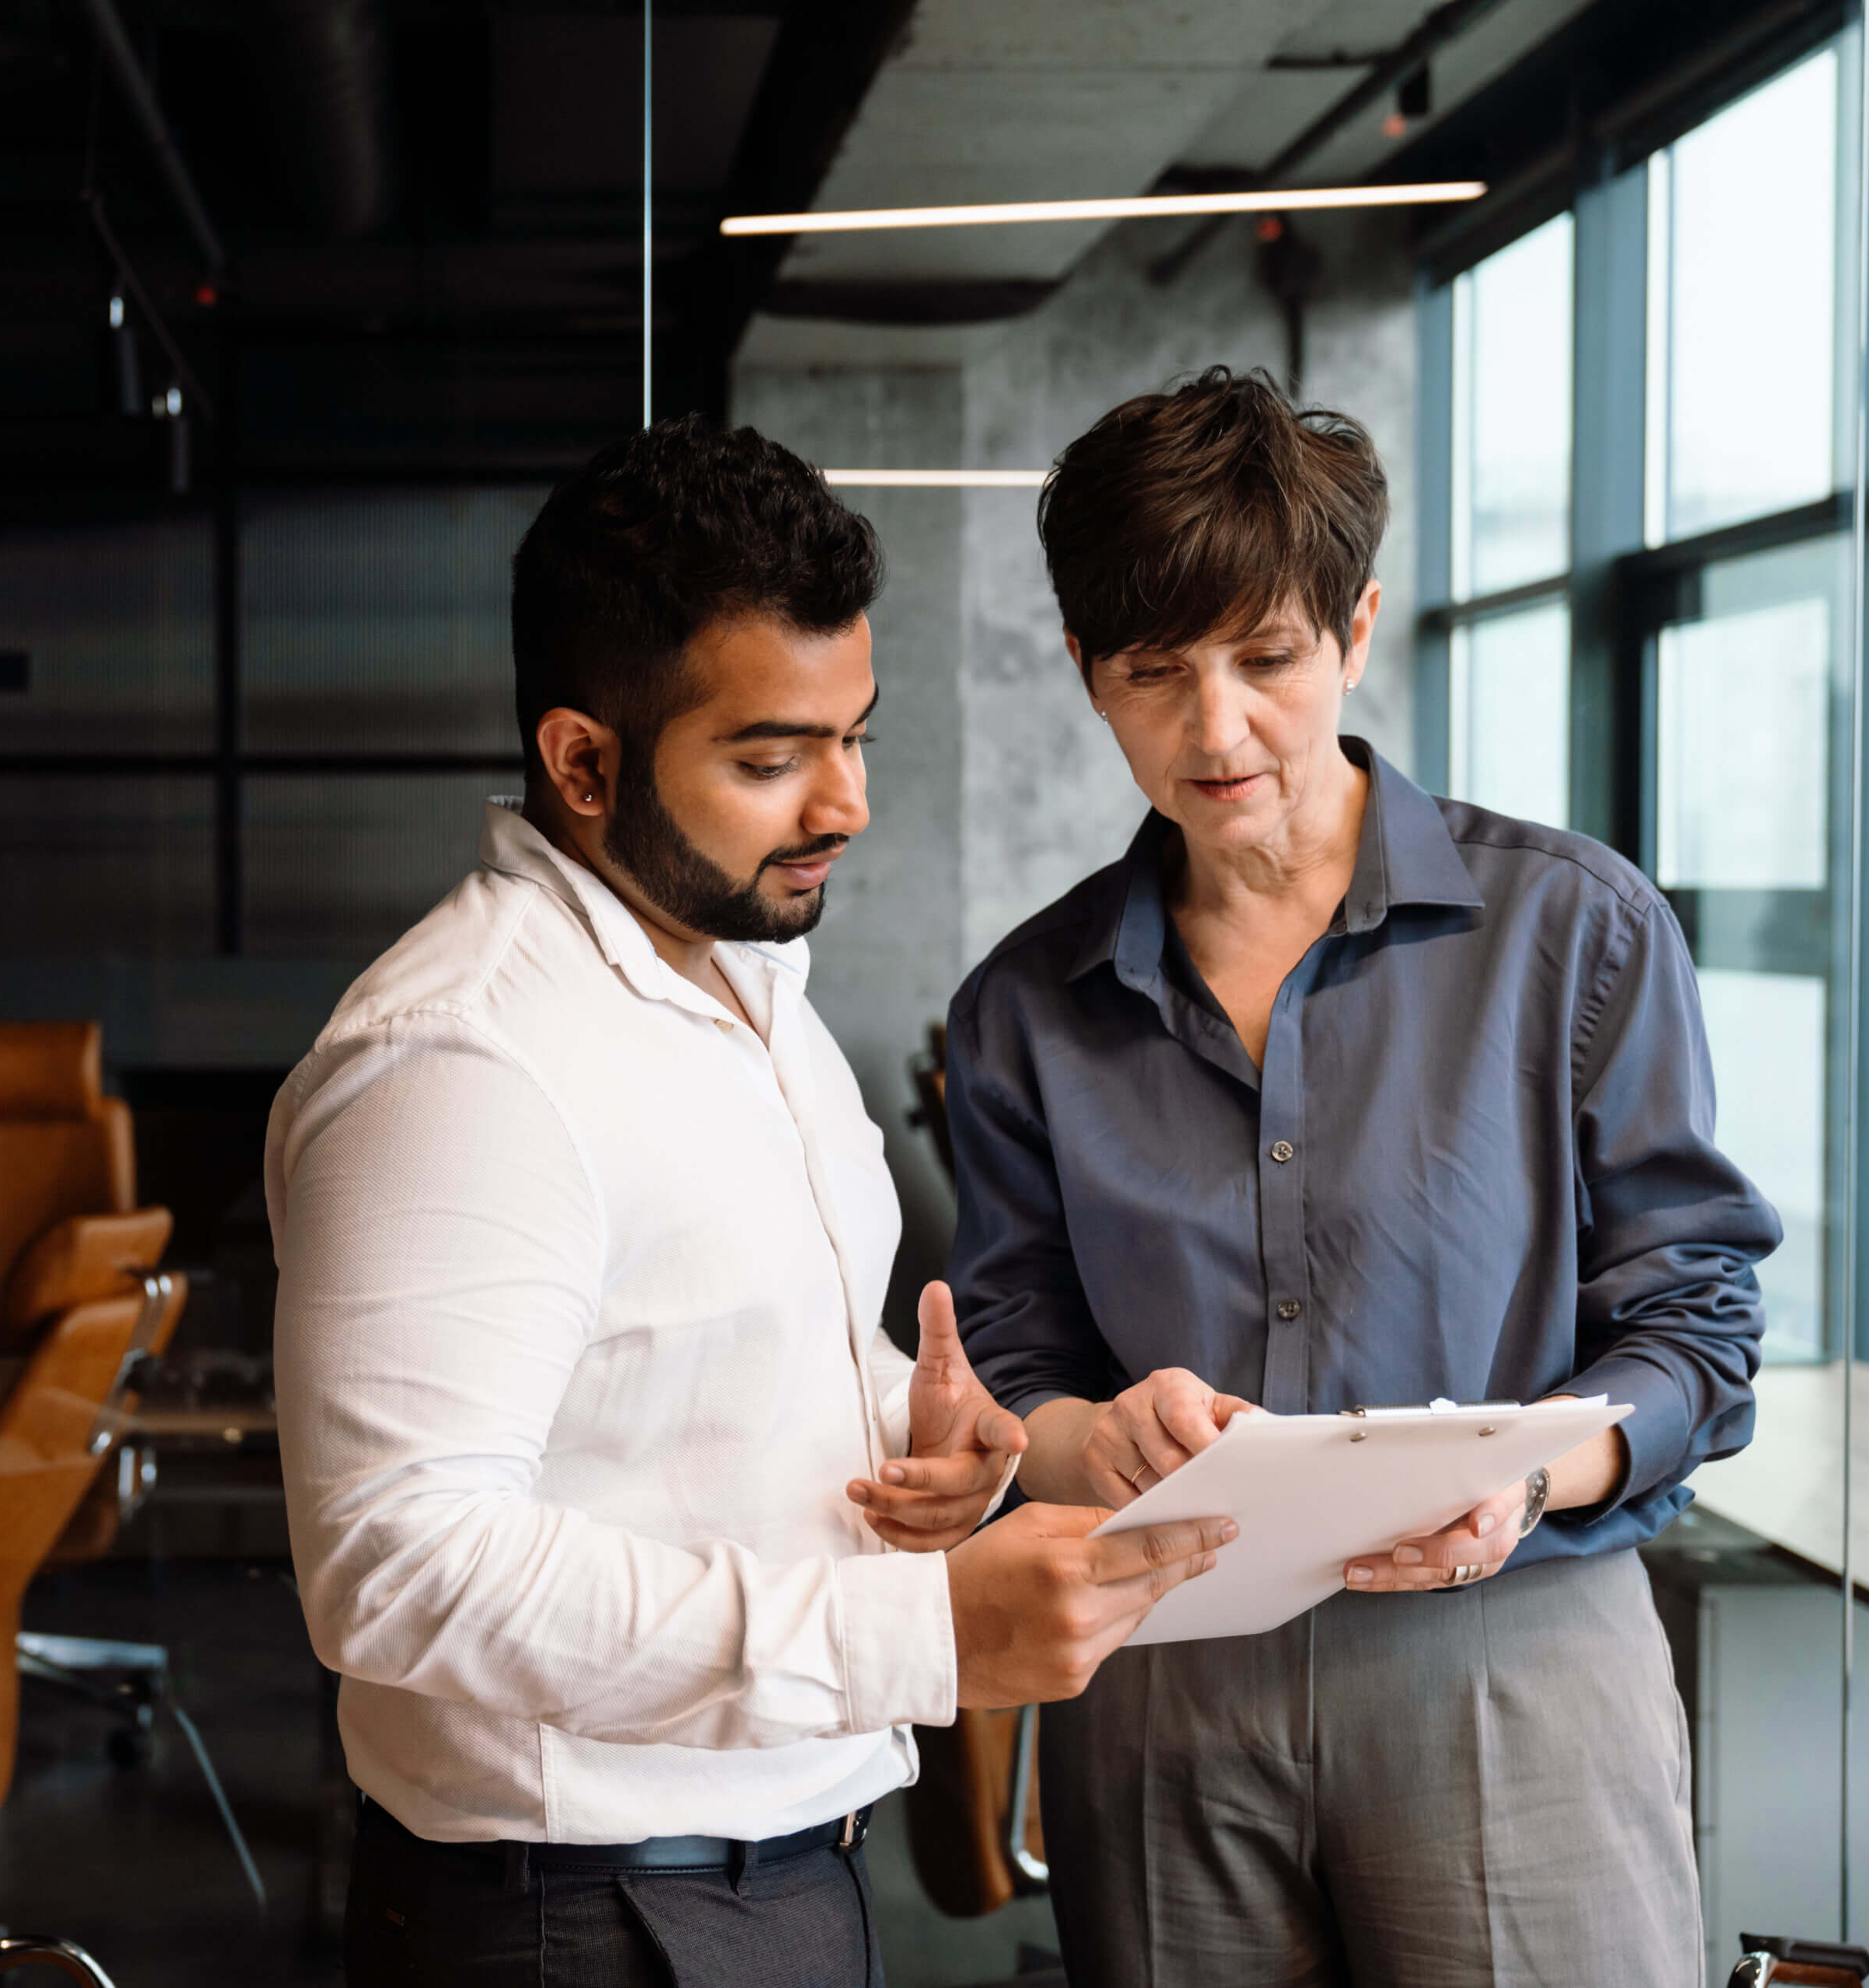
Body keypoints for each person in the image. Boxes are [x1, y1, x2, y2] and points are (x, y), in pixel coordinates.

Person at [269, 417, 1231, 1988]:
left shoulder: (748, 985)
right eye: (771, 758)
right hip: (577, 1908)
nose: (842, 802)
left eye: (853, 735)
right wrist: (919, 1637)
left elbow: (672, 1352)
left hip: (769, 1854)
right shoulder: (467, 1060)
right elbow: (398, 1561)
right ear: (582, 759)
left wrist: (915, 1438)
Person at [943, 368, 1783, 1988]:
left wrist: (1534, 1473)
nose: (1215, 728)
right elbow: (1009, 1372)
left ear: (1354, 628)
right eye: (1150, 673)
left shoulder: (1571, 933)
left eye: (1262, 658)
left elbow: (1695, 1330)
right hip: (1157, 1670)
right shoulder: (1019, 1008)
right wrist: (1078, 1433)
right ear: (1082, 674)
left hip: (1512, 1654)